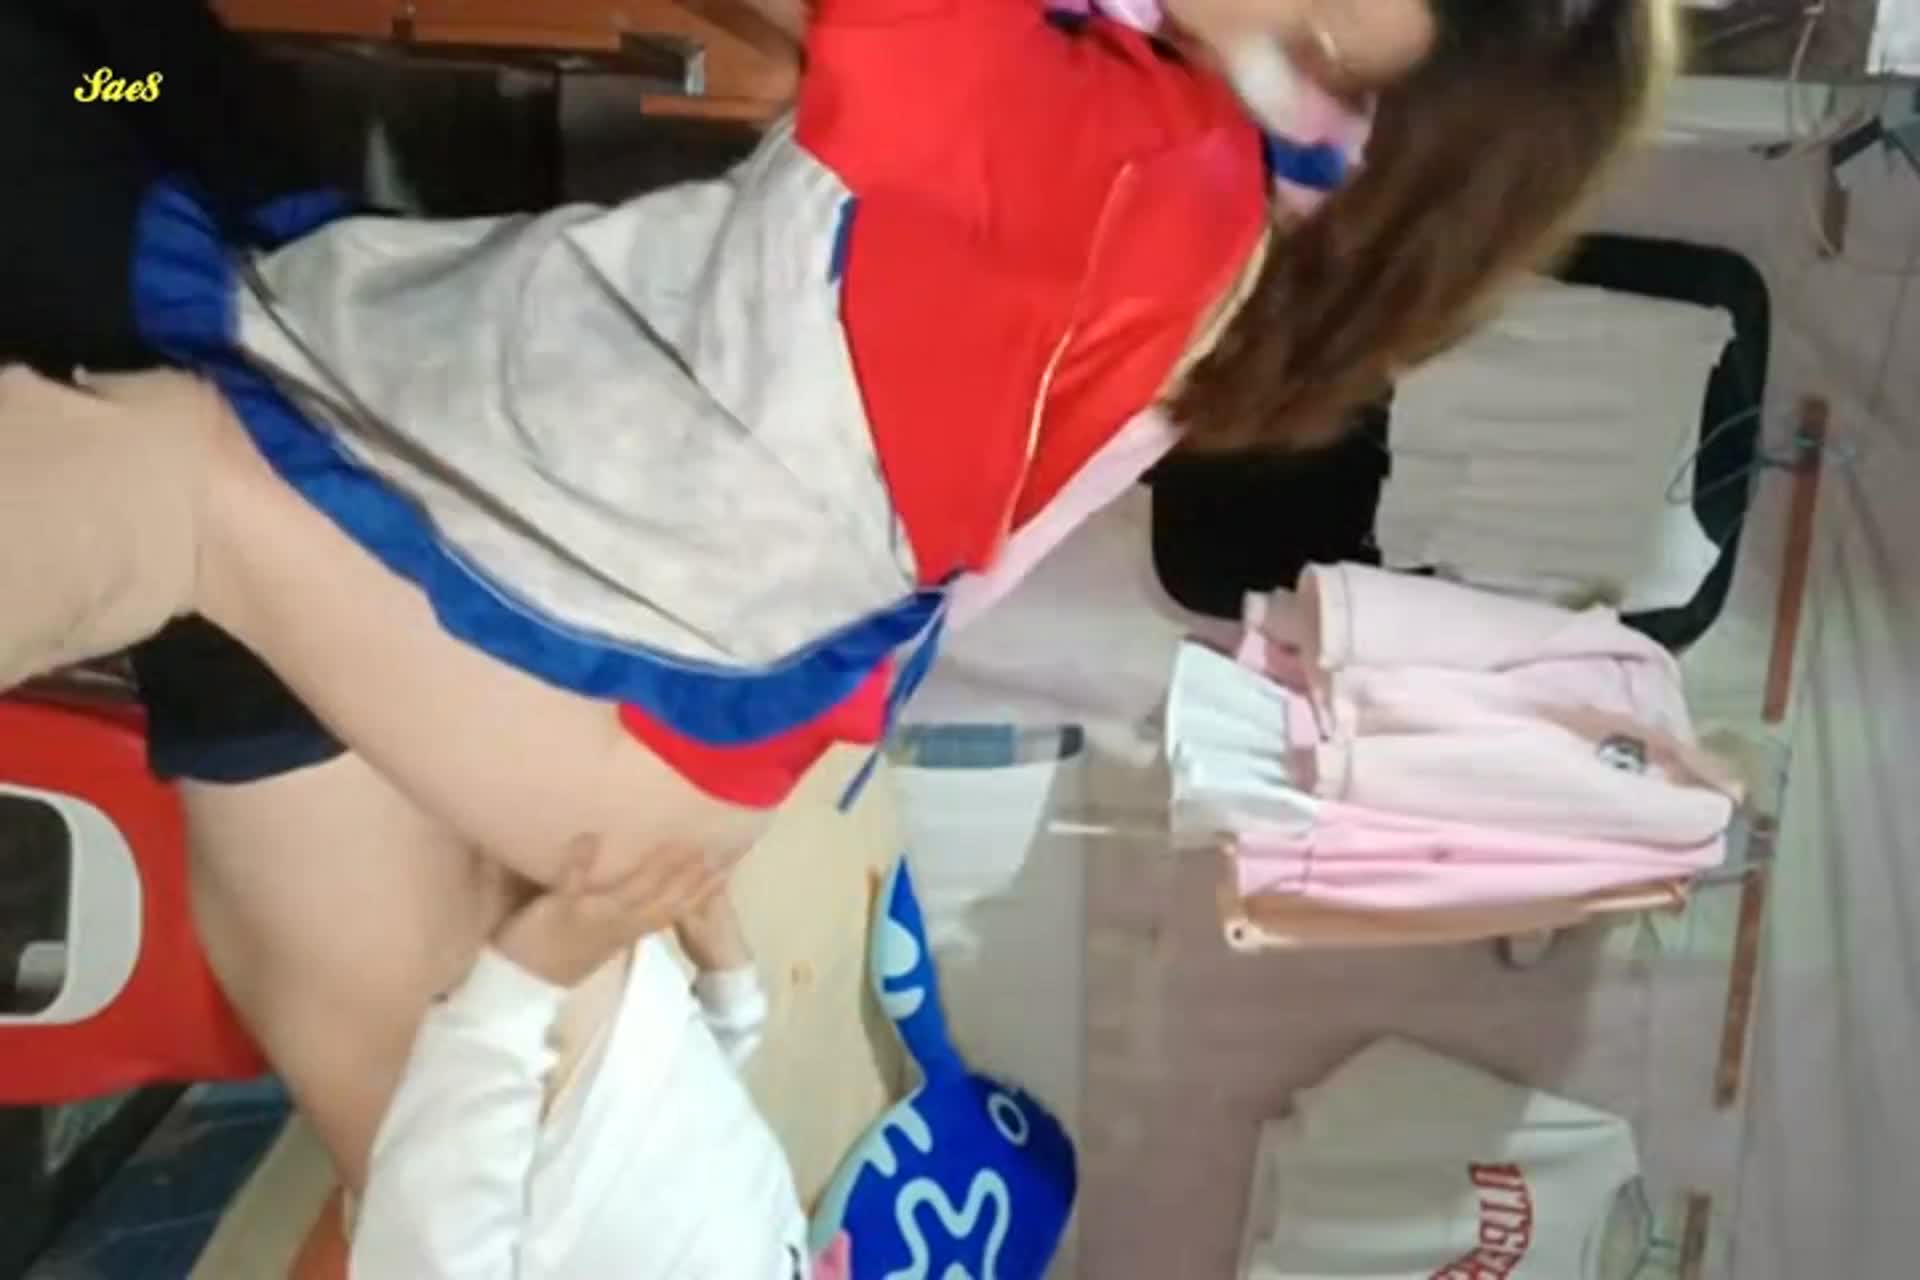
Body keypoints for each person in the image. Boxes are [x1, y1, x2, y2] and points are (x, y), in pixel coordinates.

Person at [0, 0, 1677, 1191]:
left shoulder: (1112, 160)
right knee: (138, 90)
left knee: (153, 404)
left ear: (1360, 55)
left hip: (532, 614)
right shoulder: (1218, 241)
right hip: (634, 677)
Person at [344, 845, 845, 1278]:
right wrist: (733, 991)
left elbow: (418, 1259)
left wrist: (512, 992)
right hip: (618, 1004)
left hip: (509, 1100)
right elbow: (713, 1155)